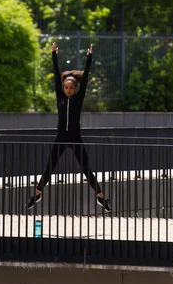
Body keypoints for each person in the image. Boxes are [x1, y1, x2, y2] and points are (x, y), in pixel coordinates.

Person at [27, 42, 111, 213]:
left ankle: (101, 197)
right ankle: (37, 193)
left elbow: (86, 77)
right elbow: (56, 72)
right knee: (49, 167)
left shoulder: (78, 99)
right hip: (61, 137)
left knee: (86, 169)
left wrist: (89, 57)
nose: (68, 90)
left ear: (75, 88)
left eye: (71, 87)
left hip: (75, 137)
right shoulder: (60, 96)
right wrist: (54, 54)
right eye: (66, 87)